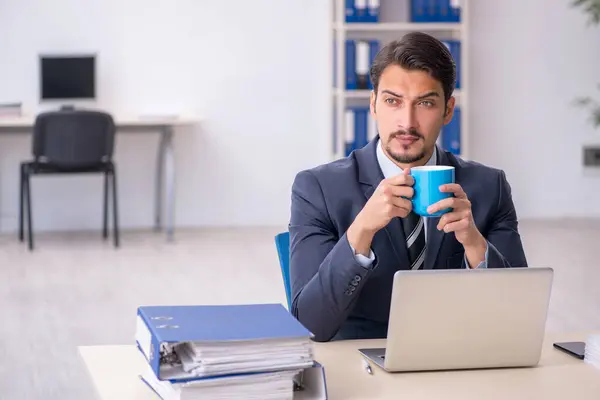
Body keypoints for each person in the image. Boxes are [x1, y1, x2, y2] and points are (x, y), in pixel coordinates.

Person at [288, 32, 528, 343]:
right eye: (392, 101)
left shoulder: (489, 187)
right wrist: (361, 231)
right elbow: (311, 324)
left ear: (447, 110)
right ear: (373, 104)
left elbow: (518, 315)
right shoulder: (317, 188)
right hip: (363, 364)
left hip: (459, 357)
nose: (407, 122)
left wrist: (473, 243)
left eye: (425, 103)